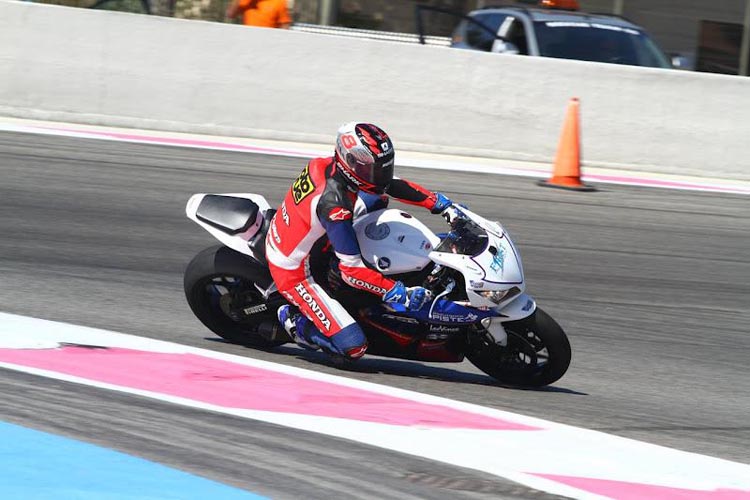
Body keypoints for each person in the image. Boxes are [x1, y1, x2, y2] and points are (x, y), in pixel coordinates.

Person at [266, 122, 454, 361]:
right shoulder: (335, 206)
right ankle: (295, 322)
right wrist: (397, 292)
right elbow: (351, 271)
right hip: (294, 270)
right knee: (353, 348)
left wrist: (438, 202)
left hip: (308, 234)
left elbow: (390, 184)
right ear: (349, 163)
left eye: (383, 167)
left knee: (378, 197)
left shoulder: (329, 166)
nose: (380, 176)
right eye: (372, 170)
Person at [226, 0, 291, 29]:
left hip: (268, 44)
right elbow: (230, 14)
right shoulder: (246, 1)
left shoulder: (279, 2)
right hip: (247, 41)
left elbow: (285, 26)